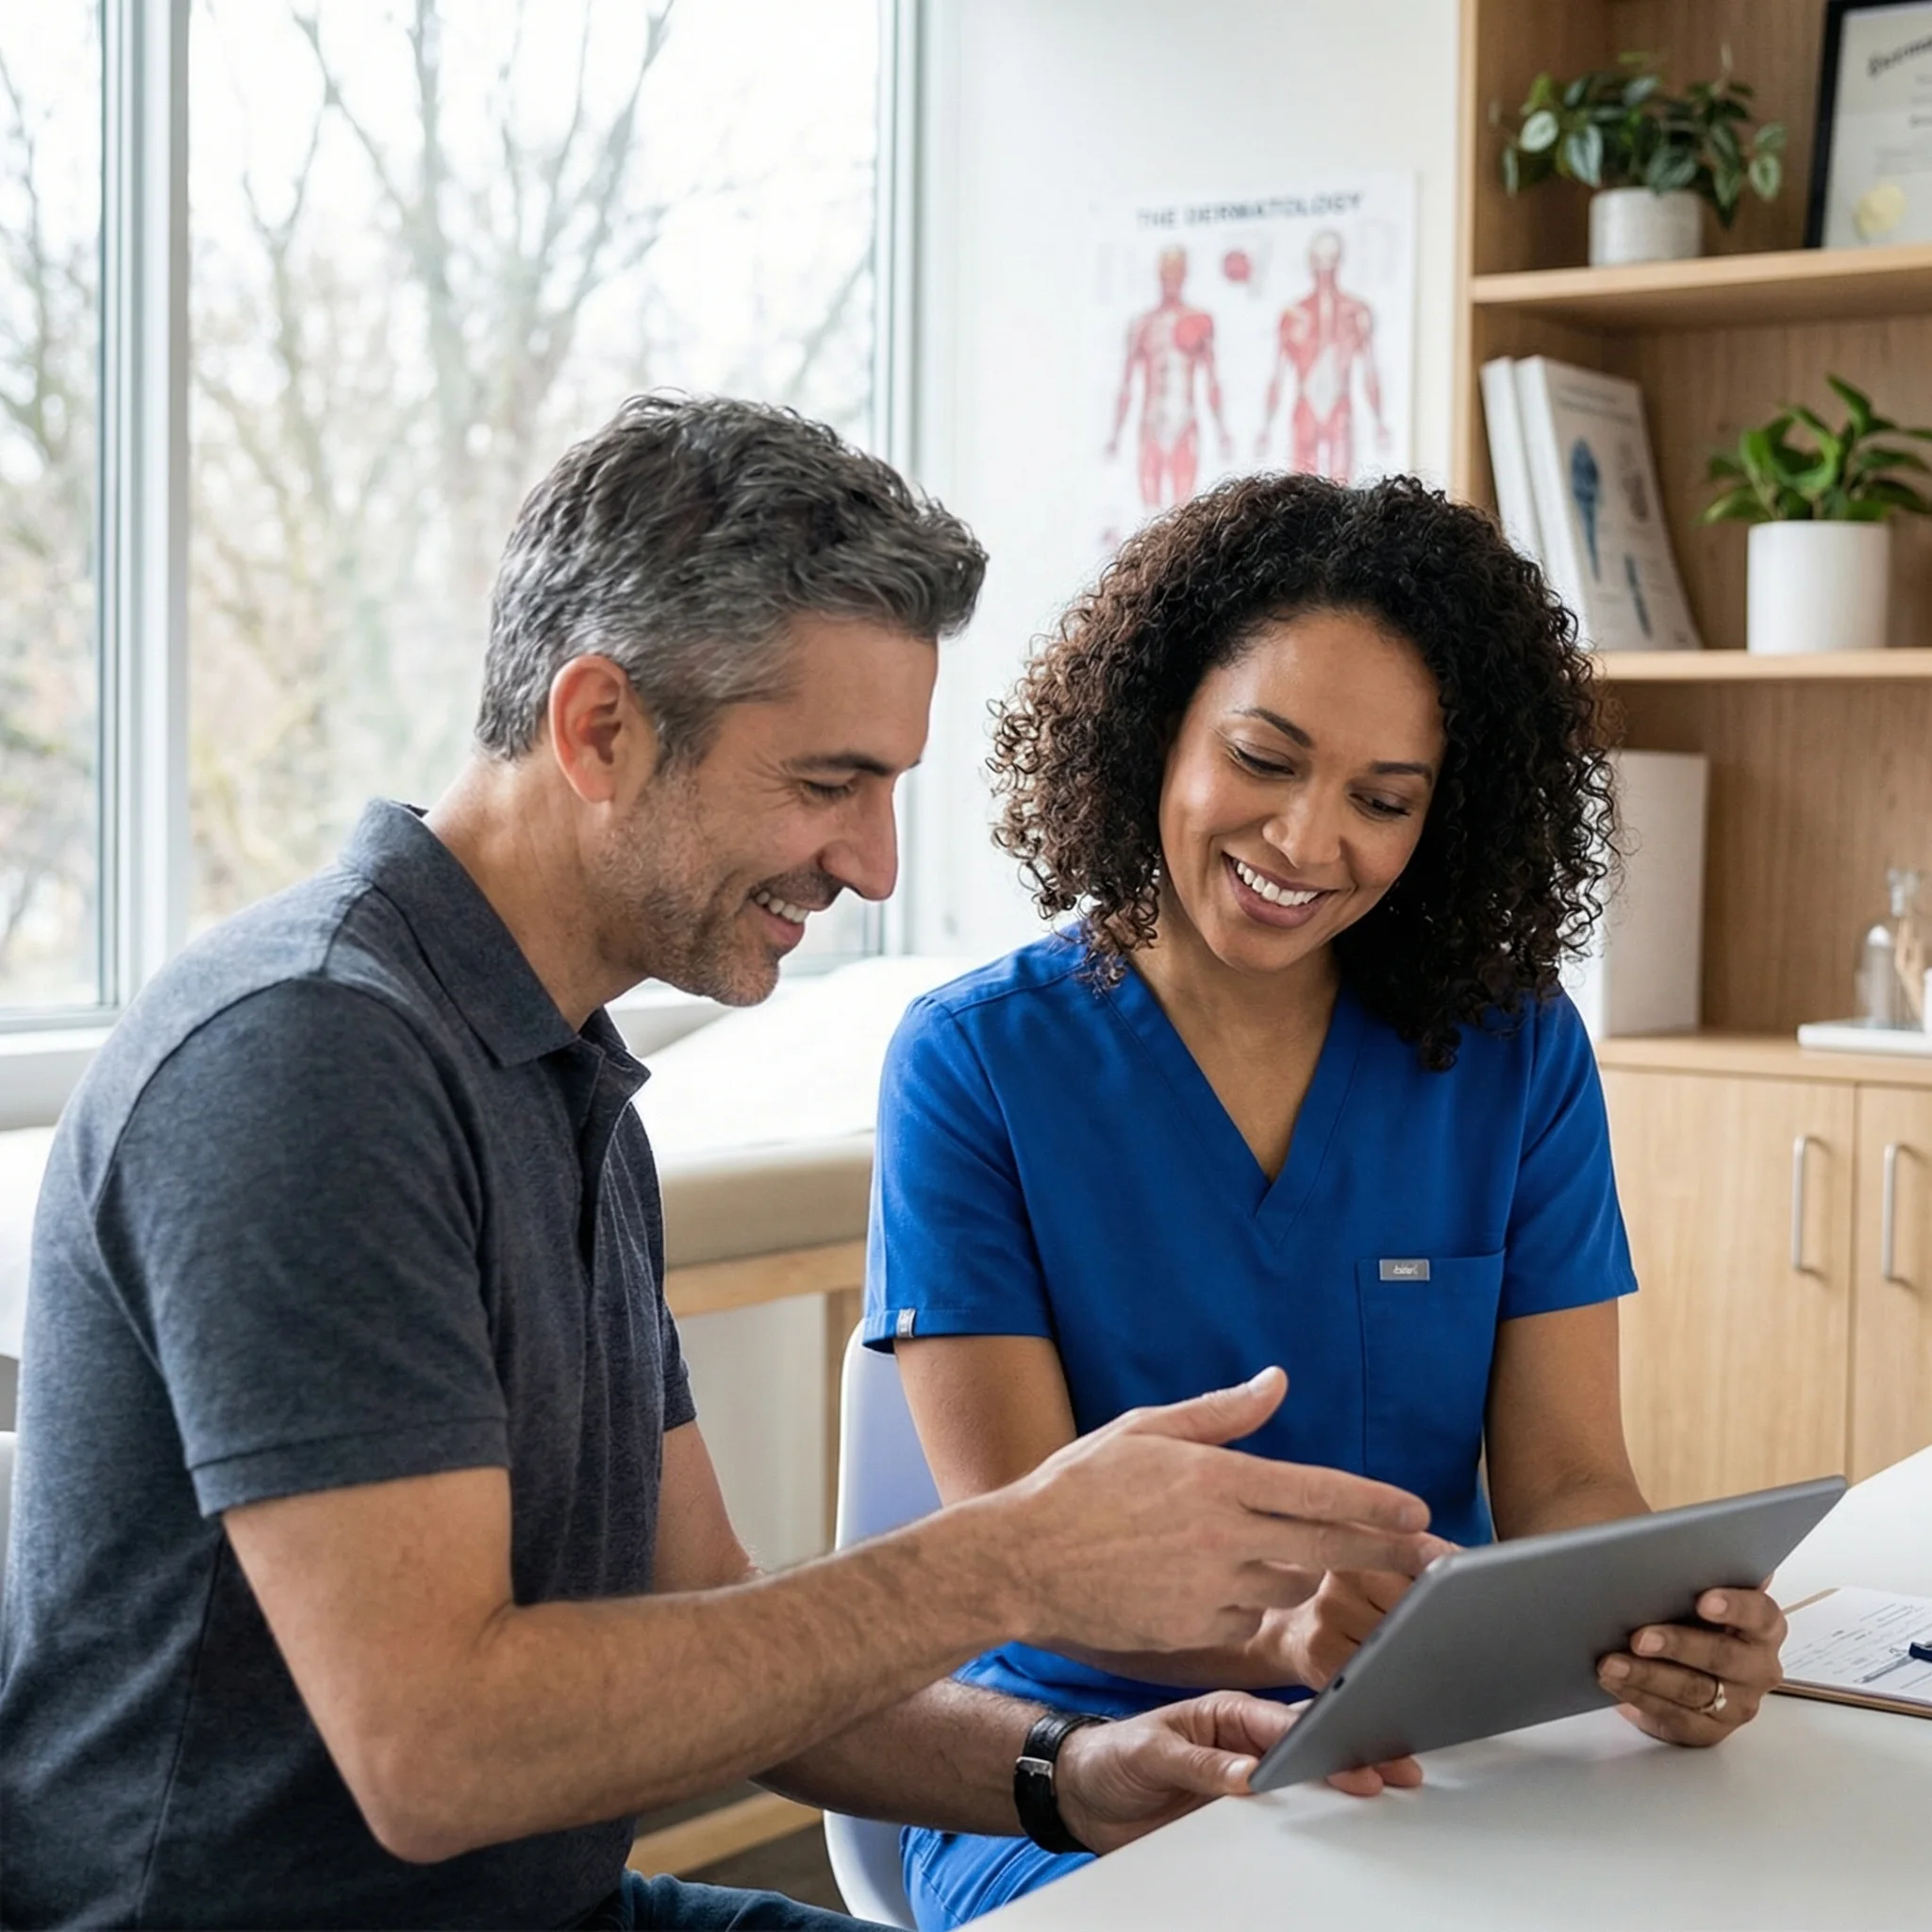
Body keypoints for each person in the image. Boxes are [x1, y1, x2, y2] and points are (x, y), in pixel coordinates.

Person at [0, 398, 1443, 1931]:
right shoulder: (306, 1060)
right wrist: (1011, 1563)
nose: (874, 862)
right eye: (828, 784)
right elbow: (436, 1750)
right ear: (599, 729)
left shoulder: (562, 1082)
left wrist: (1065, 1770)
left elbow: (716, 1633)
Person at [866, 472, 1790, 1927]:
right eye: (1263, 758)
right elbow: (1019, 1559)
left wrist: (1657, 1632)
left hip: (1434, 1744)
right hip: (1082, 1769)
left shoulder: (1516, 1052)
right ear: (1156, 723)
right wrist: (1277, 1632)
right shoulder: (975, 1063)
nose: (1307, 842)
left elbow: (1567, 1479)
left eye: (1383, 801)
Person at [1105, 246, 1234, 510]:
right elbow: (1126, 385)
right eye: (1167, 272)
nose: (1171, 279)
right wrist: (1115, 434)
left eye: (1177, 272)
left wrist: (1222, 430)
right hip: (1151, 422)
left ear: (1185, 275)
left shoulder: (1199, 321)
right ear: (1159, 274)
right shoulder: (1142, 324)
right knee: (1148, 511)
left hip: (1184, 420)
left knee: (1184, 510)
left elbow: (1211, 381)